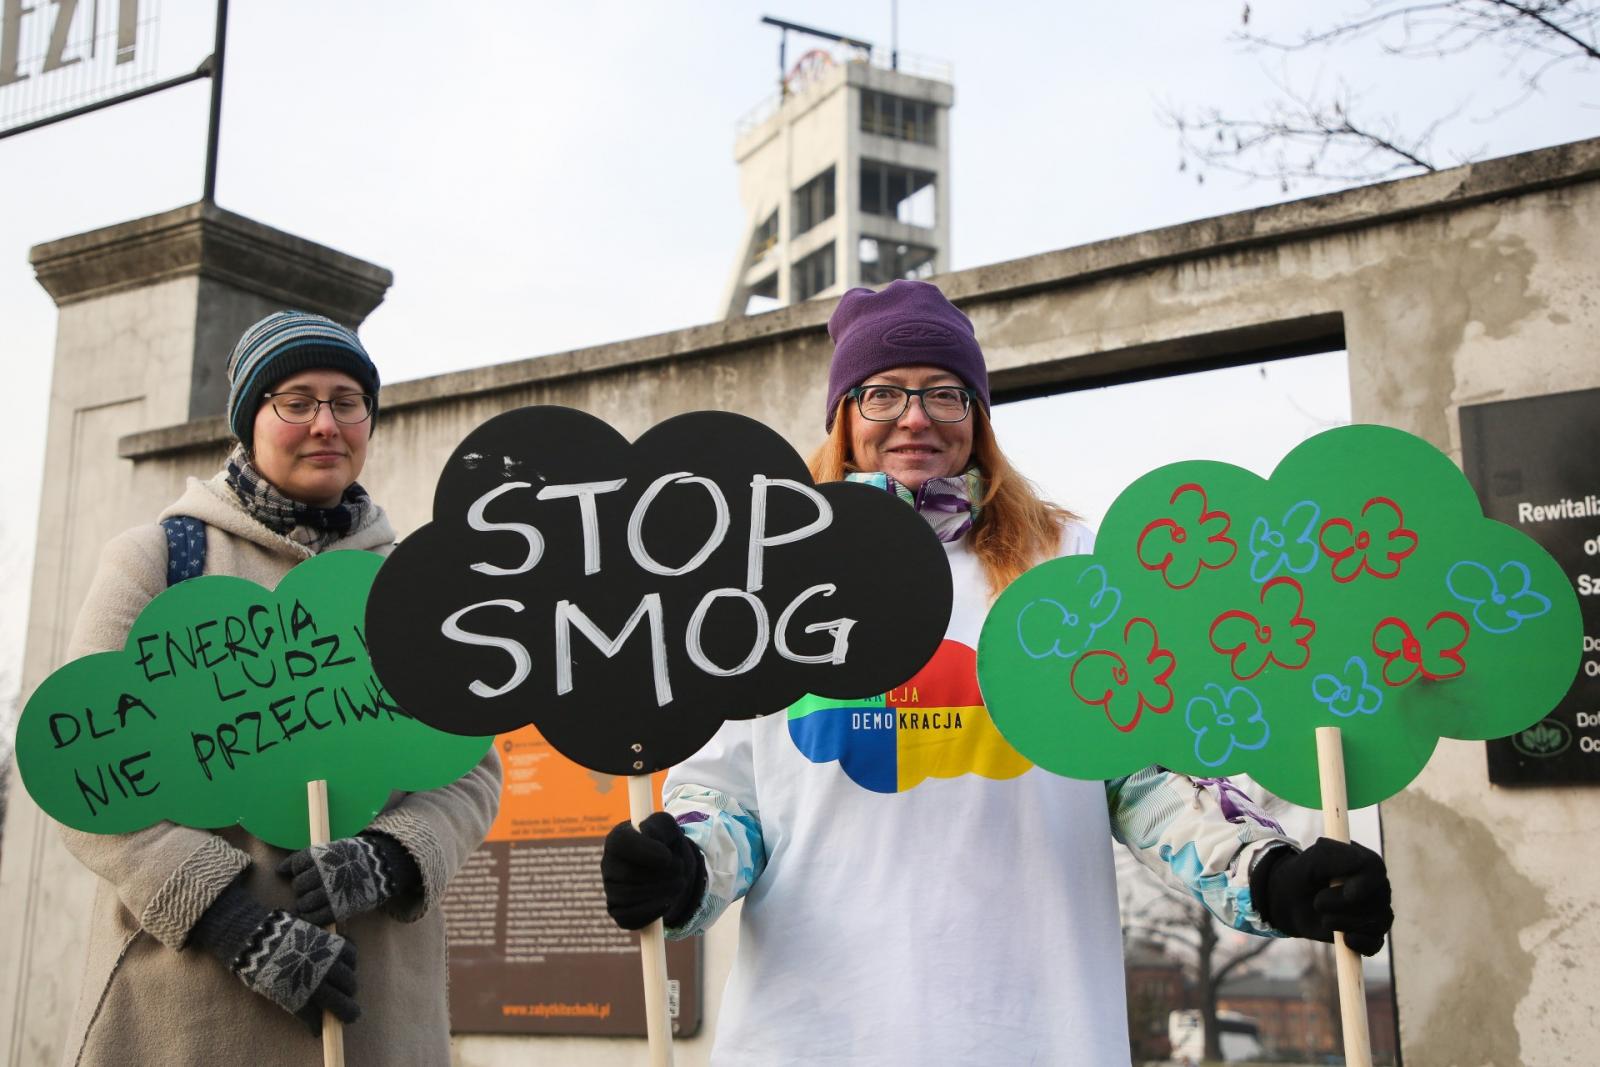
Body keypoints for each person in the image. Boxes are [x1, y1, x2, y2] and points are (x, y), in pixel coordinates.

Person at [601, 279, 1392, 1065]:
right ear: (844, 414)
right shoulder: (767, 573)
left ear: (978, 415)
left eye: (945, 393)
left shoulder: (1068, 561)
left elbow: (1145, 777)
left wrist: (1271, 874)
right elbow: (728, 801)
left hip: (1033, 1029)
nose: (915, 417)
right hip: (810, 1034)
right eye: (882, 393)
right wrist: (681, 870)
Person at [55, 311, 502, 1066]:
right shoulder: (160, 561)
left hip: (378, 1011)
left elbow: (471, 770)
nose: (325, 423)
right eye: (296, 400)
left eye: (347, 400)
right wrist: (229, 921)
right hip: (191, 1008)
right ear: (250, 418)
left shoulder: (412, 586)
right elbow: (81, 769)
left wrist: (391, 857)